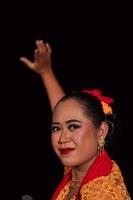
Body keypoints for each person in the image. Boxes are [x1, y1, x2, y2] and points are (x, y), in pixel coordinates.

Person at [20, 40, 131, 199]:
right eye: (56, 128)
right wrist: (46, 72)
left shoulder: (103, 193)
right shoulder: (80, 168)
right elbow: (63, 112)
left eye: (73, 127)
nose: (62, 138)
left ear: (101, 131)